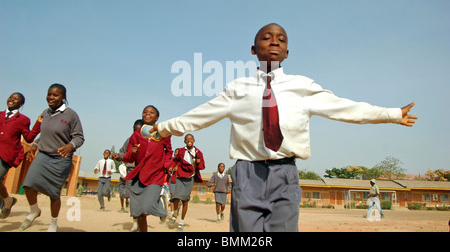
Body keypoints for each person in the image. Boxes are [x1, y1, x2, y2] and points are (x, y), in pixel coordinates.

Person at [152, 23, 417, 232]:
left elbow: (345, 108)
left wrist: (391, 114)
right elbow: (202, 114)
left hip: (286, 172)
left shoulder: (303, 87)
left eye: (281, 38)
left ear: (288, 52)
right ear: (253, 50)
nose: (275, 40)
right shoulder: (237, 89)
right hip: (247, 173)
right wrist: (164, 128)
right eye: (266, 37)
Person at [20, 83, 84, 232]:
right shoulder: (45, 113)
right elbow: (45, 133)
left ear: (63, 97)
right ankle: (34, 210)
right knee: (28, 184)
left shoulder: (71, 115)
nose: (51, 97)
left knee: (54, 193)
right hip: (43, 155)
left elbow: (79, 137)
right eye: (49, 94)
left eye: (55, 95)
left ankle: (53, 223)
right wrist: (35, 144)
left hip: (60, 159)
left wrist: (70, 146)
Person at [122, 105, 173, 232]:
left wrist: (166, 165)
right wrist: (133, 152)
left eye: (151, 112)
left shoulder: (163, 133)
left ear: (157, 118)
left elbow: (169, 151)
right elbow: (128, 158)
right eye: (145, 112)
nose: (147, 114)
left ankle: (160, 207)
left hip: (156, 175)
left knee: (146, 207)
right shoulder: (135, 136)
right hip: (138, 176)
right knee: (138, 212)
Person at [0, 93, 41, 219]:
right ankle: (7, 200)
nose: (12, 99)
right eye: (11, 97)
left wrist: (38, 124)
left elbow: (28, 138)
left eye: (16, 98)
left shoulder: (23, 120)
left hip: (7, 155)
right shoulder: (0, 115)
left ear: (21, 104)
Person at [168, 133, 205, 231]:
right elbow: (175, 160)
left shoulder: (198, 152)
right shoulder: (180, 151)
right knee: (176, 197)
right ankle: (174, 214)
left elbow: (202, 166)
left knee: (185, 200)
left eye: (191, 138)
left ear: (194, 140)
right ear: (184, 141)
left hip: (190, 178)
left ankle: (181, 222)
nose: (189, 140)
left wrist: (198, 162)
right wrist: (172, 166)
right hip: (180, 177)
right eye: (187, 139)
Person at [112, 119, 143, 230]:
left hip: (144, 172)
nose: (137, 134)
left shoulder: (150, 141)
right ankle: (135, 222)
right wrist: (118, 156)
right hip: (131, 171)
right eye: (135, 131)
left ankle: (141, 220)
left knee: (143, 198)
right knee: (133, 196)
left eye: (139, 131)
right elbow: (123, 152)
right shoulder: (130, 140)